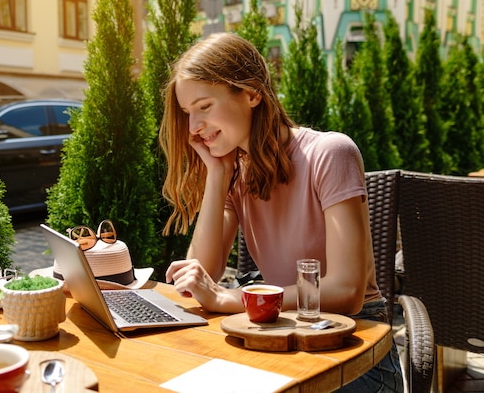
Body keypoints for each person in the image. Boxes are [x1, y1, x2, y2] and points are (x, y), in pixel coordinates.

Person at [160, 32, 403, 392]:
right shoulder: (235, 172)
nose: (194, 127)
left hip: (352, 349)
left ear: (253, 93)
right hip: (278, 335)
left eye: (205, 106)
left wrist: (229, 299)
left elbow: (347, 291)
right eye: (187, 113)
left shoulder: (330, 153)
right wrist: (218, 174)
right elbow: (204, 274)